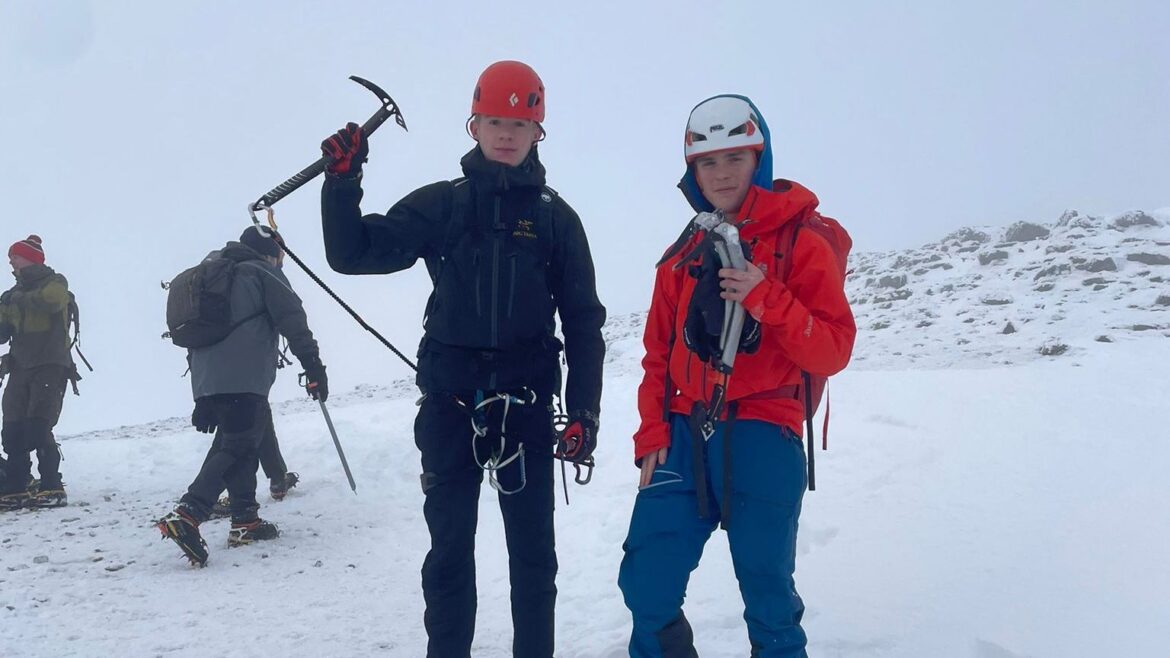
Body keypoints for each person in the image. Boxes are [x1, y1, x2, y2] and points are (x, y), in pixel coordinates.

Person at [320, 60, 605, 657]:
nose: (506, 133)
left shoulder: (555, 219)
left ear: (538, 131)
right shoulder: (443, 206)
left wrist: (584, 412)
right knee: (449, 558)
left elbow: (583, 325)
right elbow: (352, 253)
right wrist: (342, 183)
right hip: (451, 412)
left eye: (519, 123)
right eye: (494, 121)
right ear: (473, 125)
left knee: (533, 561)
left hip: (526, 412)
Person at [617, 95, 856, 657]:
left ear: (760, 159)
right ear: (692, 171)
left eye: (735, 158)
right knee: (646, 582)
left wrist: (766, 296)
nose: (721, 174)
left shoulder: (804, 240)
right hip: (682, 432)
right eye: (707, 162)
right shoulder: (685, 250)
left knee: (769, 594)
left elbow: (832, 350)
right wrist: (652, 431)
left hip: (765, 434)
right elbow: (657, 353)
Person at [155, 227, 327, 567]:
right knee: (238, 445)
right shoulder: (263, 273)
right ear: (268, 251)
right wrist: (314, 367)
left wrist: (202, 396)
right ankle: (190, 512)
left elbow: (199, 333)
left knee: (241, 438)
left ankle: (245, 520)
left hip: (208, 378)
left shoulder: (211, 274)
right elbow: (293, 321)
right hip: (245, 375)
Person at [0, 235, 75, 511]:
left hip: (50, 364)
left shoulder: (54, 283)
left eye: (15, 257)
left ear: (30, 259)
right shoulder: (12, 294)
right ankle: (15, 488)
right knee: (12, 427)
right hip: (20, 367)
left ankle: (52, 485)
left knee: (38, 425)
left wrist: (15, 300)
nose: (11, 262)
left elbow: (53, 301)